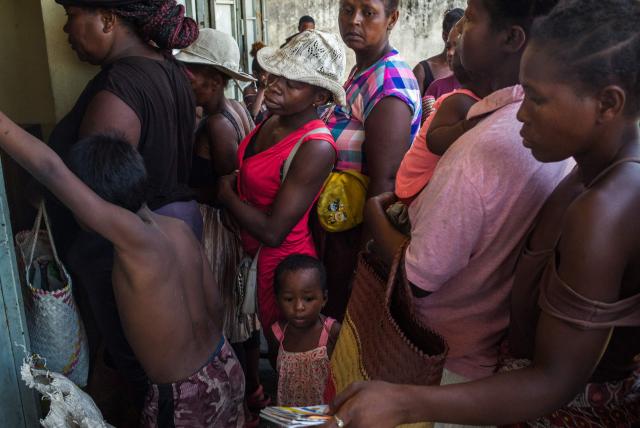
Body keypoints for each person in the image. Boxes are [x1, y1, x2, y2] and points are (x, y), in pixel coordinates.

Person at [325, 0, 640, 426]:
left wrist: (406, 402)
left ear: (607, 104)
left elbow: (554, 381)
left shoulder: (601, 211)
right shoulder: (589, 170)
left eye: (538, 99)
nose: (522, 113)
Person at [0, 120, 245, 427]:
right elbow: (216, 304)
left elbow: (50, 169)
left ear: (95, 203)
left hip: (185, 393)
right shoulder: (177, 229)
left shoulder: (134, 240)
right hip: (223, 362)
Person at [48, 0, 201, 414]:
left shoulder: (121, 86)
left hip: (125, 262)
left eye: (70, 17)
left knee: (138, 378)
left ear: (108, 19)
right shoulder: (168, 69)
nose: (65, 32)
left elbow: (95, 197)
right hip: (169, 241)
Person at [217, 30, 345, 354]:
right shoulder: (274, 119)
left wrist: (226, 195)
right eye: (276, 75)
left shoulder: (316, 146)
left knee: (287, 358)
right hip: (252, 254)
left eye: (293, 82)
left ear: (319, 98)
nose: (275, 85)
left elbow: (274, 232)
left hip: (286, 271)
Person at [176, 28, 268, 426]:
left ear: (212, 79)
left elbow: (226, 187)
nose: (185, 80)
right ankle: (253, 394)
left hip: (218, 229)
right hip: (226, 228)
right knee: (239, 321)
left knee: (227, 323)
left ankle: (240, 402)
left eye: (190, 73)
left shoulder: (217, 123)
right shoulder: (234, 109)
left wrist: (182, 187)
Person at [320, 0, 422, 320]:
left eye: (368, 12)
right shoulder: (362, 70)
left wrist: (362, 267)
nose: (354, 21)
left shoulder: (388, 81)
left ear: (392, 18)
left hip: (356, 241)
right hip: (339, 229)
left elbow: (385, 181)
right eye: (347, 10)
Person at [395, 23, 491, 203]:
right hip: (416, 186)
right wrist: (467, 126)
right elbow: (434, 140)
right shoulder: (459, 101)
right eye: (449, 46)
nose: (451, 52)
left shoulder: (469, 100)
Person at [267, 255, 341, 407]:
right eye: (289, 299)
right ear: (277, 299)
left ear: (324, 298)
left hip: (324, 417)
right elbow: (276, 366)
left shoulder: (331, 332)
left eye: (308, 299)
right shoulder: (278, 334)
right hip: (290, 416)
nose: (299, 307)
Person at [413, 8, 464, 97]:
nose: (451, 53)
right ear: (445, 35)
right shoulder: (422, 71)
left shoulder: (474, 76)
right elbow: (414, 108)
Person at [243, 41, 269, 124]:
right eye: (265, 74)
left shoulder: (272, 87)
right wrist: (262, 89)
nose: (268, 77)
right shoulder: (249, 90)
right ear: (255, 74)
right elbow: (254, 113)